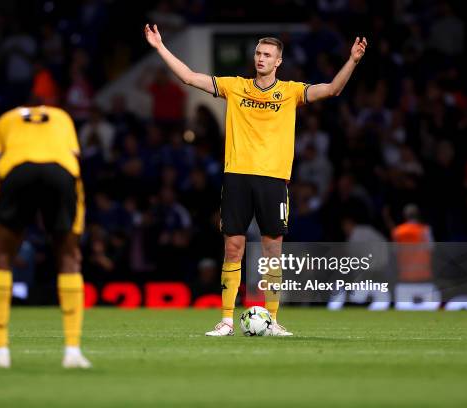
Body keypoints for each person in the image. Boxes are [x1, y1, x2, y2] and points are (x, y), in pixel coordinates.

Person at [145, 23, 367, 336]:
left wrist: (353, 60)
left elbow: (332, 89)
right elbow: (189, 77)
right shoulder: (235, 86)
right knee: (233, 248)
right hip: (236, 176)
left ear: (278, 62)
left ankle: (273, 320)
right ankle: (225, 320)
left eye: (267, 55)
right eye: (258, 53)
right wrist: (160, 48)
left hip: (273, 179)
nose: (260, 58)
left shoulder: (290, 92)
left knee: (272, 250)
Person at [0, 103, 90, 368]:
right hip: (61, 170)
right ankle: (73, 352)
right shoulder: (62, 116)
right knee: (69, 255)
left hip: (16, 168)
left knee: (0, 254)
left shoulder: (5, 118)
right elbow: (75, 154)